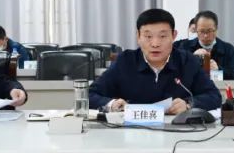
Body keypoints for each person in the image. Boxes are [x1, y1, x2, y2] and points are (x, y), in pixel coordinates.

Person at [89, 8, 220, 115]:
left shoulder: (188, 61)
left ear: (173, 36)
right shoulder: (125, 61)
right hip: (132, 133)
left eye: (162, 36)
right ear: (138, 36)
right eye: (148, 36)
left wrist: (188, 104)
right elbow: (90, 94)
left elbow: (214, 96)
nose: (155, 43)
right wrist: (112, 104)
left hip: (177, 133)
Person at [175, 10, 234, 80]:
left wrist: (218, 69)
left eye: (209, 31)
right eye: (202, 31)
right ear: (196, 30)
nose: (205, 35)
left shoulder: (229, 50)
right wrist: (192, 59)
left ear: (216, 29)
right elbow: (175, 74)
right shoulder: (185, 47)